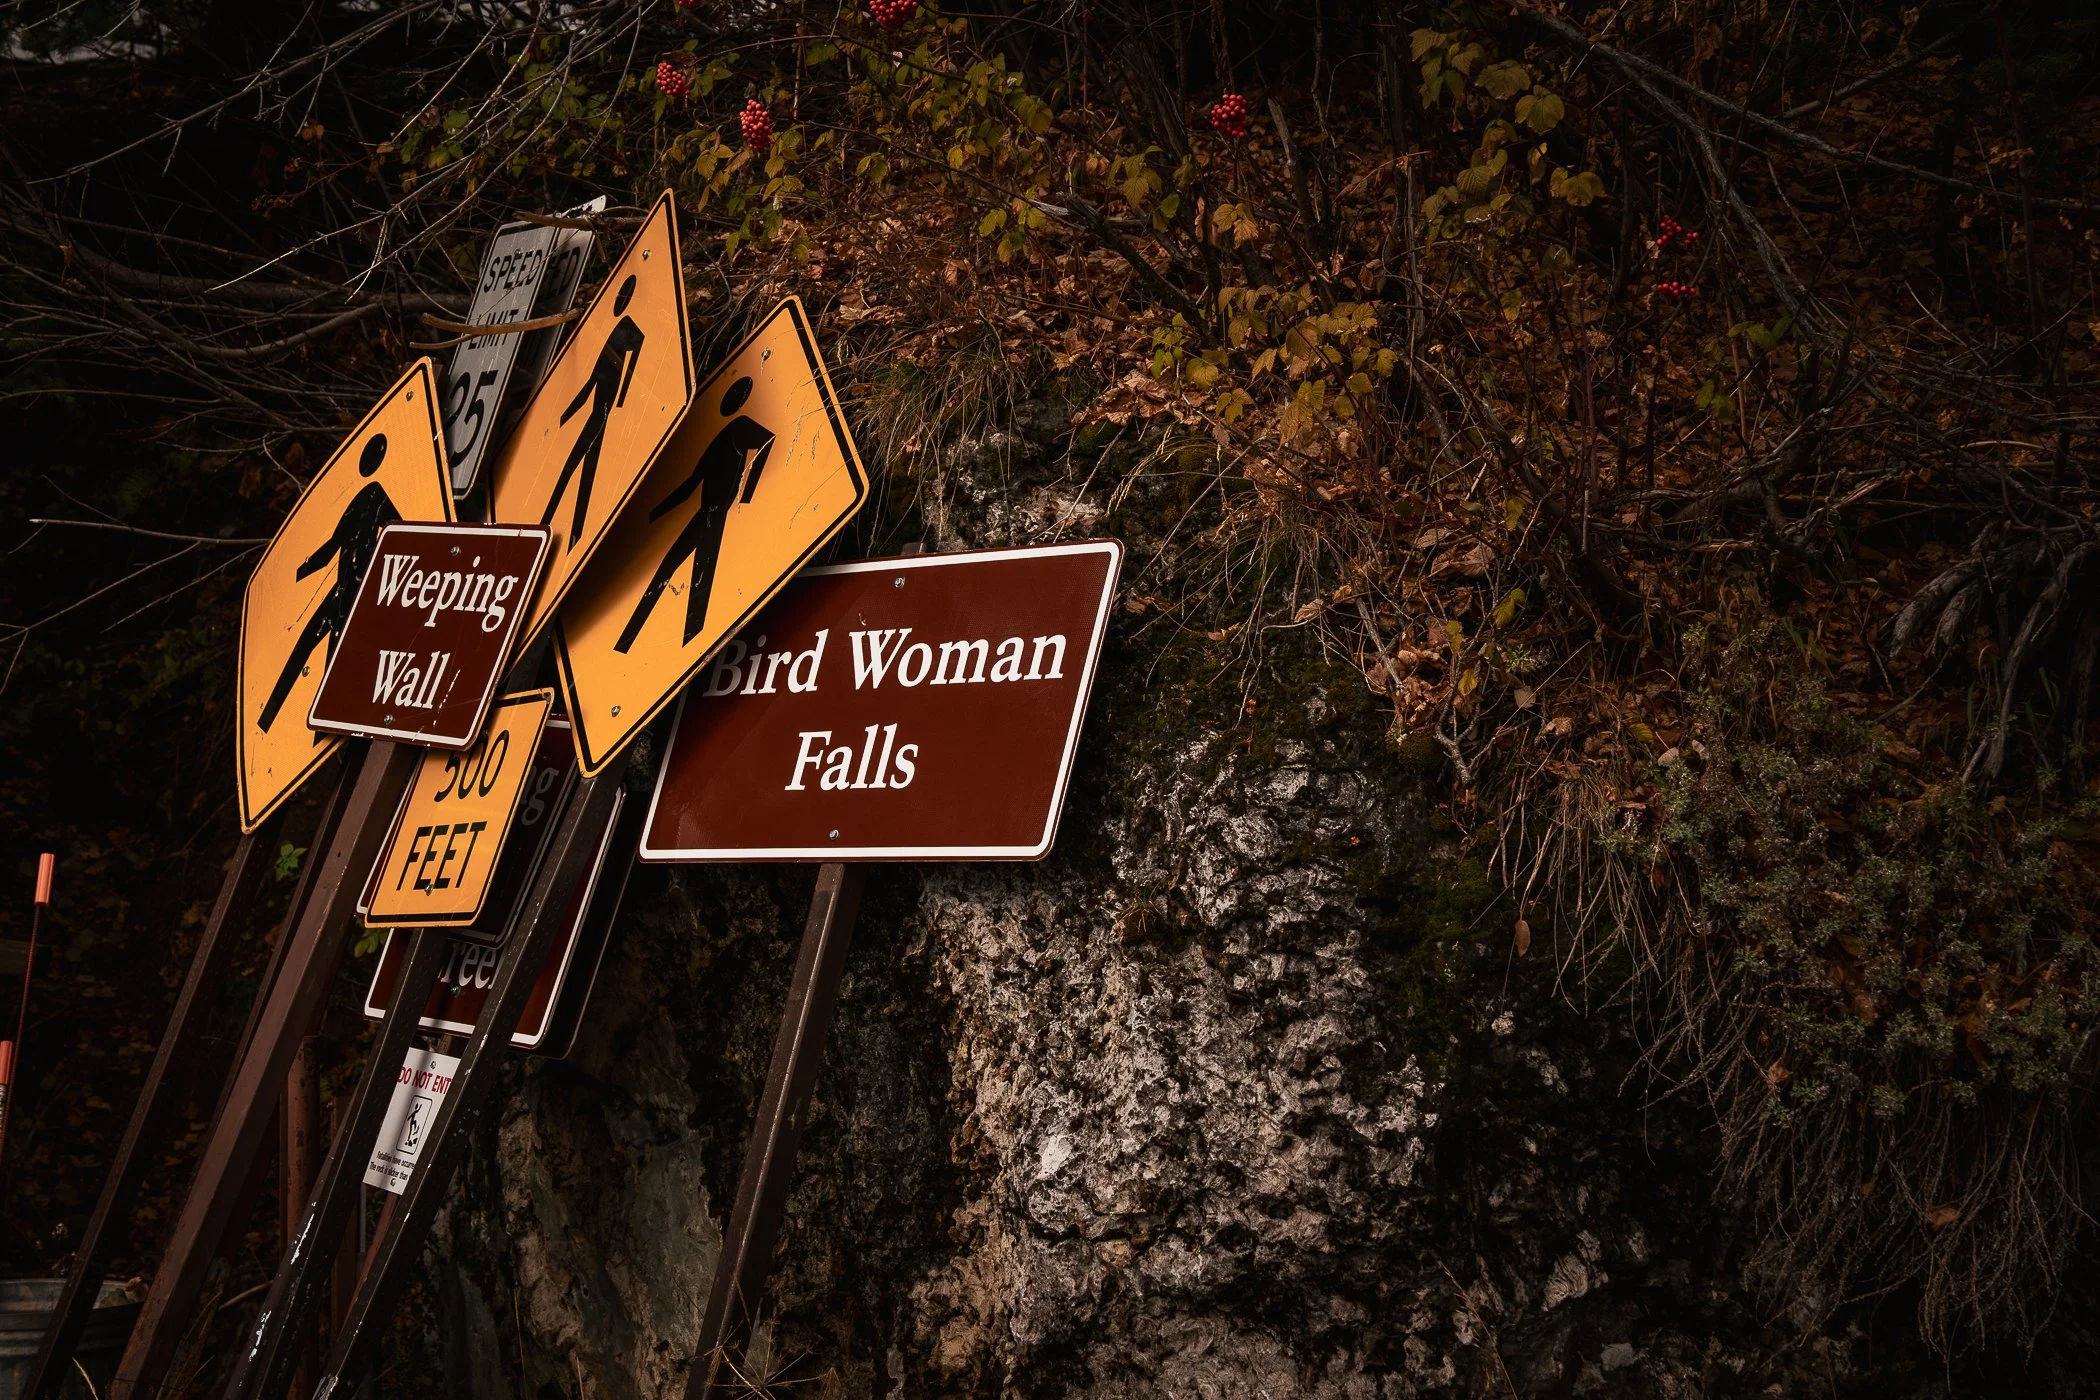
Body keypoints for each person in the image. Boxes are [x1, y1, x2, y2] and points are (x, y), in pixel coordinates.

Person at [614, 376, 774, 653]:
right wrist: (653, 514)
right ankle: (627, 643)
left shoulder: (740, 427)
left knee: (700, 575)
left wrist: (746, 496)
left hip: (717, 514)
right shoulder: (719, 437)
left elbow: (767, 440)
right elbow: (690, 485)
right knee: (672, 567)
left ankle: (690, 643)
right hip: (704, 513)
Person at [258, 433, 401, 732]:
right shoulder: (357, 500)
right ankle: (268, 720)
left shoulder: (376, 494)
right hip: (341, 585)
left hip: (361, 587)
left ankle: (327, 723)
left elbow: (402, 532)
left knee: (336, 651)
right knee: (305, 642)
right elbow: (332, 546)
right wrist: (299, 573)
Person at [544, 274, 645, 544]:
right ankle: (546, 523)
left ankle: (576, 534)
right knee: (571, 466)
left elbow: (629, 375)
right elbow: (592, 376)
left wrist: (622, 406)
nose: (619, 301)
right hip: (593, 406)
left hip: (604, 411)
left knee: (584, 470)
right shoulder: (610, 328)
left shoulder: (635, 332)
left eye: (625, 296)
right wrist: (569, 411)